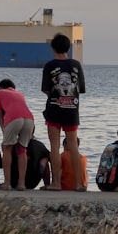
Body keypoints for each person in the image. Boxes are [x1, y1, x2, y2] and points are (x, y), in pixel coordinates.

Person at [41, 33, 87, 191]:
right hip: (72, 110)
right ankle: (79, 183)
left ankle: (56, 183)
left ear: (53, 48)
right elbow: (80, 89)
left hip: (54, 109)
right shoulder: (76, 64)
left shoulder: (49, 65)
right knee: (73, 146)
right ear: (69, 48)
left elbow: (46, 90)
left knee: (54, 146)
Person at [0, 78, 36, 191]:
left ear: (0, 88)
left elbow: (0, 116)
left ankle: (7, 183)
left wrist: (4, 133)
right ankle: (21, 184)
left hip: (14, 119)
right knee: (22, 150)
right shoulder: (20, 94)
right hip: (29, 119)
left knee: (7, 149)